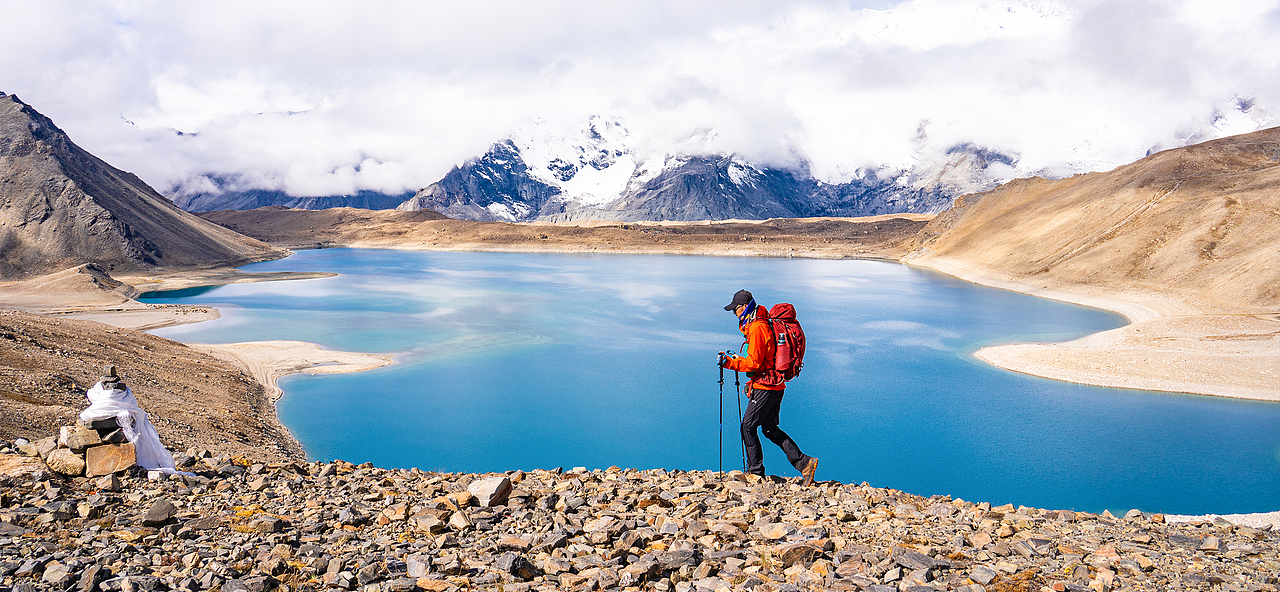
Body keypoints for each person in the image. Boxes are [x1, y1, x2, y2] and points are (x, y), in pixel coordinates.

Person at [720, 289, 818, 485]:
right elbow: (765, 360)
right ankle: (804, 463)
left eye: (735, 310)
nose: (734, 313)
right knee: (770, 429)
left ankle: (755, 472)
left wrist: (730, 363)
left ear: (744, 308)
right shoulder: (763, 323)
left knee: (748, 426)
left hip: (766, 386)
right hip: (775, 385)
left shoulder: (757, 327)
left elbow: (754, 363)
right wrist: (750, 381)